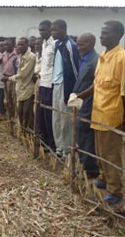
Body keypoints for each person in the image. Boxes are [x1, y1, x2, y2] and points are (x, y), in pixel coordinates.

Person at [87, 21, 125, 208]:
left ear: (118, 35)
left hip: (112, 115)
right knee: (100, 150)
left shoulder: (122, 58)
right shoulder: (103, 56)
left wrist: (124, 120)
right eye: (101, 33)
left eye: (106, 33)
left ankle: (115, 190)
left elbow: (124, 91)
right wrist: (79, 95)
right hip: (98, 111)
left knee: (111, 154)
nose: (102, 36)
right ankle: (104, 177)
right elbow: (97, 85)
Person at [68, 32, 100, 180]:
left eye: (82, 44)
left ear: (92, 44)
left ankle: (90, 170)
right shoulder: (84, 59)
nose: (79, 47)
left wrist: (80, 95)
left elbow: (96, 85)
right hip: (81, 104)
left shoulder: (96, 60)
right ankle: (83, 164)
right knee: (80, 135)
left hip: (89, 104)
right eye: (78, 44)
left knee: (87, 137)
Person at [51, 19, 80, 157]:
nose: (52, 33)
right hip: (56, 84)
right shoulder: (58, 45)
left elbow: (75, 70)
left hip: (65, 86)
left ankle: (68, 151)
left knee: (65, 121)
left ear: (63, 29)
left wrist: (74, 91)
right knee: (56, 118)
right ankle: (59, 148)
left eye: (55, 30)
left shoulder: (70, 46)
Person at [7, 37, 36, 134]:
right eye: (18, 44)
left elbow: (23, 73)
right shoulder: (20, 56)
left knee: (27, 114)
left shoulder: (31, 57)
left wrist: (10, 78)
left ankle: (28, 135)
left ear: (27, 45)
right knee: (20, 113)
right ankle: (23, 133)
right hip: (20, 89)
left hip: (28, 89)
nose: (19, 46)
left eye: (22, 44)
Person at [37, 20, 56, 152]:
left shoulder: (54, 44)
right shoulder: (44, 44)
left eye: (44, 30)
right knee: (42, 114)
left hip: (50, 84)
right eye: (40, 30)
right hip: (42, 83)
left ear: (50, 29)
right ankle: (44, 141)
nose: (41, 32)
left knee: (49, 115)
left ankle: (51, 144)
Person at [0, 38, 17, 121]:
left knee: (12, 98)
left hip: (11, 79)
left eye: (5, 45)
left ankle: (13, 115)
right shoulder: (2, 55)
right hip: (1, 80)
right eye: (1, 46)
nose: (3, 47)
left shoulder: (16, 54)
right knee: (2, 98)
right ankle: (4, 113)